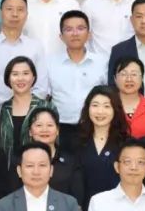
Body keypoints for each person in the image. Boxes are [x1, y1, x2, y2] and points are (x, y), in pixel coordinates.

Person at [43, 10, 108, 142]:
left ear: (89, 34)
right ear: (61, 36)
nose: (75, 33)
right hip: (60, 127)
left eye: (80, 28)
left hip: (94, 126)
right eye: (68, 29)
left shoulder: (102, 62)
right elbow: (44, 96)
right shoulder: (49, 63)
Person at [0, 0, 48, 104]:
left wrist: (26, 108)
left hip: (29, 111)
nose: (15, 14)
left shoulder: (36, 47)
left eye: (20, 10)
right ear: (0, 13)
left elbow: (41, 87)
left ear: (26, 15)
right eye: (9, 9)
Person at [0, 57, 53, 168]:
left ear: (33, 78)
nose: (20, 78)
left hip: (36, 171)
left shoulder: (47, 107)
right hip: (5, 171)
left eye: (25, 73)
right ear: (8, 79)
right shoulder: (0, 110)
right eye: (15, 74)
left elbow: (54, 144)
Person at [25, 107, 83, 201]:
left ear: (57, 131)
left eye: (50, 125)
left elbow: (77, 199)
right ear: (30, 132)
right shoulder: (20, 160)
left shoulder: (71, 161)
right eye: (39, 125)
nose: (44, 129)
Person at [113, 57, 145, 138]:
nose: (129, 79)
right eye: (123, 74)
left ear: (142, 78)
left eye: (134, 74)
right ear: (115, 78)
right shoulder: (107, 105)